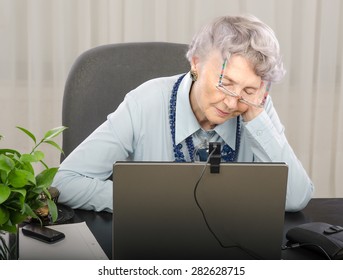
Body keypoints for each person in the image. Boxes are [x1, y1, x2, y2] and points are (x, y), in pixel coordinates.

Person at [52, 14, 314, 213]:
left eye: (248, 89)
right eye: (226, 83)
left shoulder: (255, 106)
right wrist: (150, 200)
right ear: (196, 63)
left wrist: (256, 117)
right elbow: (66, 181)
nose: (233, 102)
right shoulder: (145, 102)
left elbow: (296, 198)